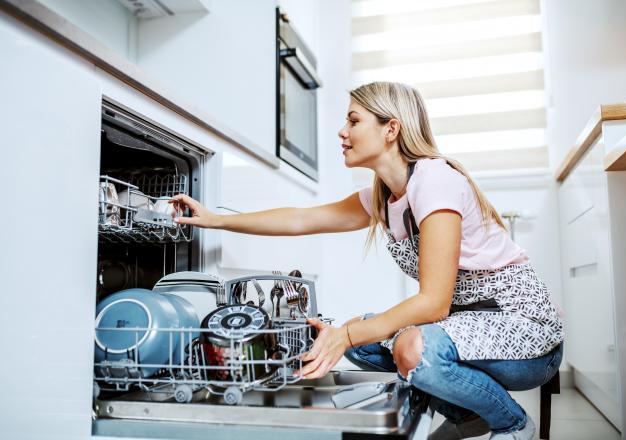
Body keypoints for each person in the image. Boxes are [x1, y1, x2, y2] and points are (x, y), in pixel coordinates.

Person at [171, 81, 564, 440]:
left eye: (354, 120)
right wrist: (215, 218)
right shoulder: (382, 195)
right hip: (469, 325)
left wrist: (346, 334)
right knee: (358, 339)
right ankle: (469, 413)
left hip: (526, 334)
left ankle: (513, 423)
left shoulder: (434, 179)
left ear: (390, 129)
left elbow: (434, 303)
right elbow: (301, 218)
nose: (342, 131)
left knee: (407, 347)